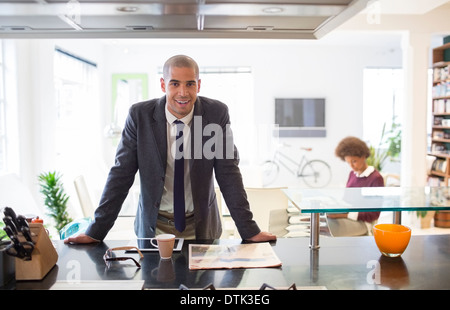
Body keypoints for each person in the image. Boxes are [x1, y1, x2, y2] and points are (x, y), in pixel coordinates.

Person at [64, 55, 276, 244]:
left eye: (190, 84)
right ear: (163, 83)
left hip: (201, 227)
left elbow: (228, 173)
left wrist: (249, 230)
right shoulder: (140, 116)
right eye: (175, 84)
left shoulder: (215, 113)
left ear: (199, 85)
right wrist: (96, 231)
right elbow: (121, 175)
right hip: (154, 227)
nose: (183, 93)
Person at [327, 136, 385, 237]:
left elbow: (374, 214)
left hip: (363, 223)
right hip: (346, 218)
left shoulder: (376, 178)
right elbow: (346, 201)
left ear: (363, 156)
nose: (351, 166)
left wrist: (342, 215)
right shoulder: (352, 174)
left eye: (354, 161)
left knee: (328, 228)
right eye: (348, 162)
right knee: (321, 222)